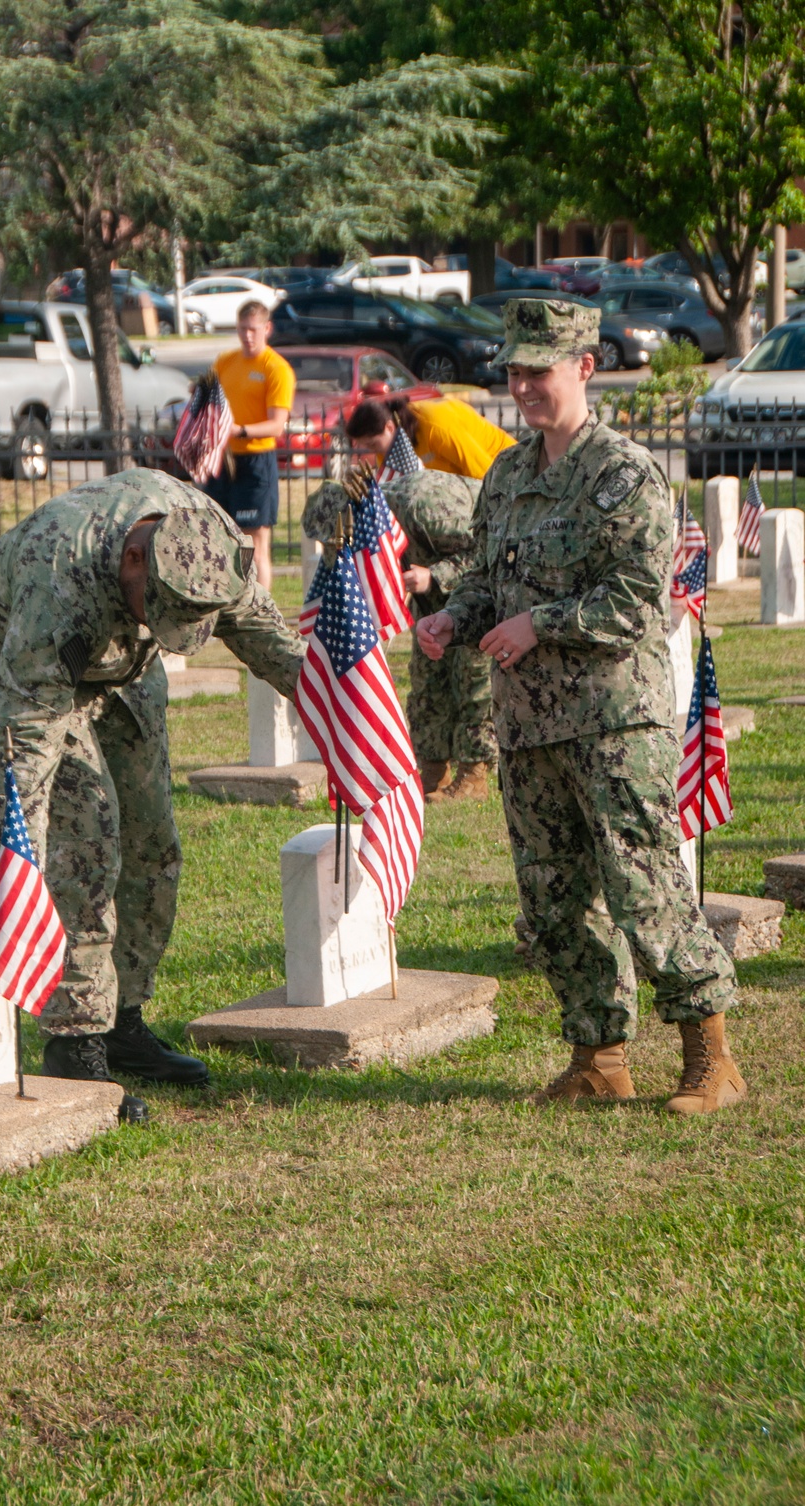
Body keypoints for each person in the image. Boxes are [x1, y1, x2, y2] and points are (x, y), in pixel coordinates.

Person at [416, 297, 747, 1114]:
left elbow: (635, 601)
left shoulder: (627, 473)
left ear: (585, 368)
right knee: (554, 897)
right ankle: (599, 1058)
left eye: (540, 369)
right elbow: (490, 580)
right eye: (515, 370)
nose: (524, 384)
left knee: (644, 886)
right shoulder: (507, 475)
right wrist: (456, 615)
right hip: (528, 725)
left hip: (612, 722)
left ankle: (712, 1057)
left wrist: (541, 624)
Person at [0, 469, 304, 1118]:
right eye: (165, 613)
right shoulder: (60, 576)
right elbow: (26, 736)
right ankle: (74, 1045)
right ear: (135, 559)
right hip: (9, 649)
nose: (180, 629)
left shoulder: (209, 543)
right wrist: (16, 839)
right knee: (84, 841)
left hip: (121, 660)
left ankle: (122, 1019)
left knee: (151, 840)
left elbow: (273, 643)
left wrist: (343, 717)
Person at [302, 468, 496, 800]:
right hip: (434, 595)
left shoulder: (426, 506)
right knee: (427, 673)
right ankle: (433, 768)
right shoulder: (356, 524)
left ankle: (474, 773)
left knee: (471, 675)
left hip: (479, 591)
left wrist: (435, 574)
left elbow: (487, 552)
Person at [205, 299, 295, 591]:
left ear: (267, 329)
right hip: (224, 460)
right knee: (218, 535)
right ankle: (226, 602)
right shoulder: (225, 362)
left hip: (256, 462)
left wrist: (239, 430)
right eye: (242, 329)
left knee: (255, 542)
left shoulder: (276, 369)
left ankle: (261, 607)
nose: (247, 336)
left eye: (253, 330)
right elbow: (207, 401)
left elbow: (277, 425)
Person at [344, 393, 513, 481]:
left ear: (389, 427)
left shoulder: (435, 426)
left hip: (506, 469)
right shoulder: (386, 447)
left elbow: (485, 474)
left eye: (373, 444)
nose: (373, 452)